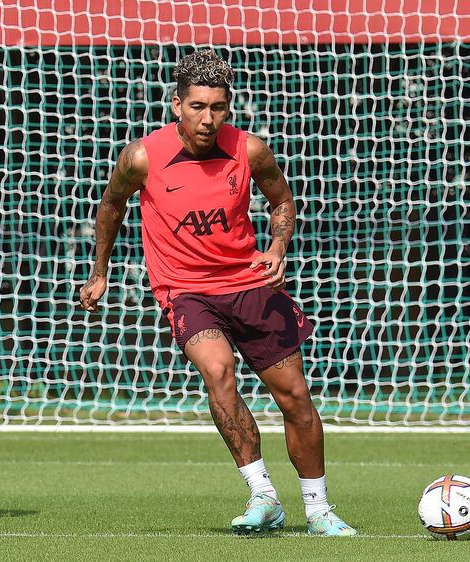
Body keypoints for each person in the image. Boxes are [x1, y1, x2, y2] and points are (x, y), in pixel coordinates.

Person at [79, 49, 356, 536]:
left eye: (218, 108)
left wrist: (277, 246)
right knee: (217, 369)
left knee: (294, 397)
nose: (208, 119)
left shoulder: (250, 151)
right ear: (176, 105)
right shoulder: (142, 157)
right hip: (186, 290)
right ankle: (264, 495)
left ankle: (318, 510)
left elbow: (282, 200)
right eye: (198, 107)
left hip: (250, 283)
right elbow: (111, 205)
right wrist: (99, 270)